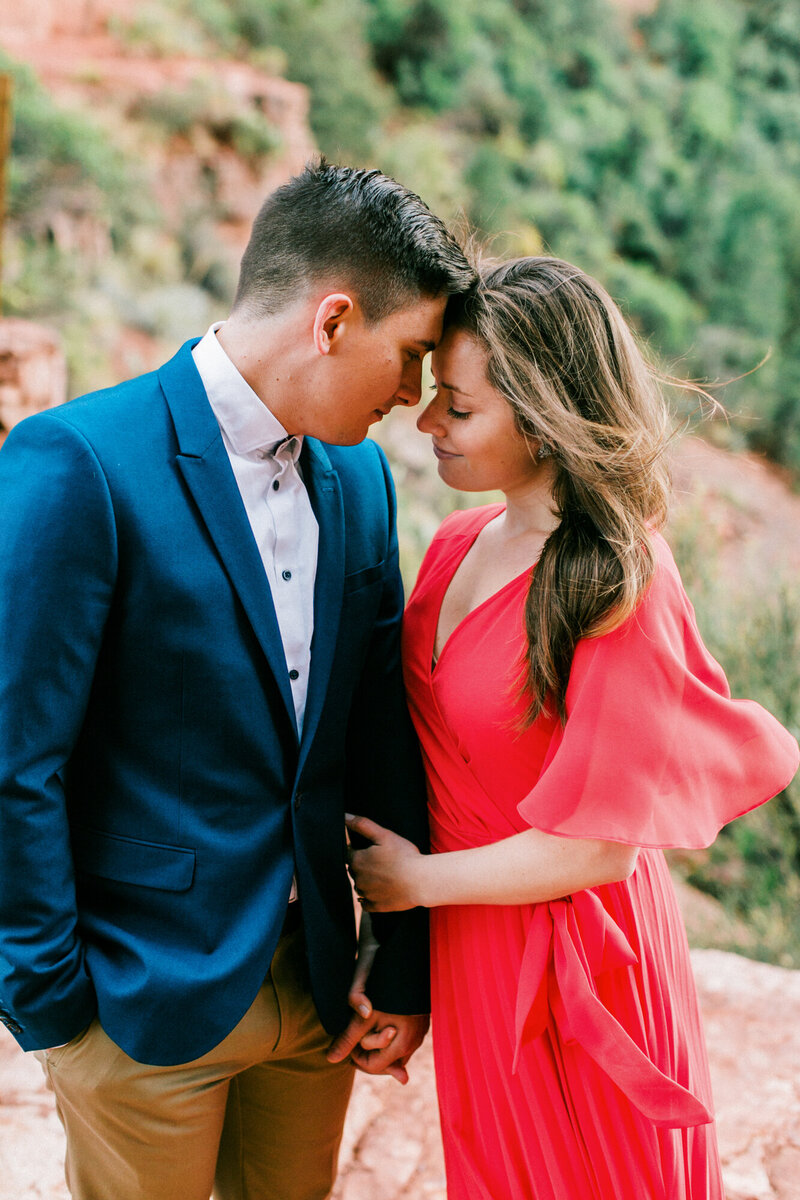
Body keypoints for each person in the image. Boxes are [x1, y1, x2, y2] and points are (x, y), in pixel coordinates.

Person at [0, 160, 476, 1200]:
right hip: (137, 1001)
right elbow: (15, 760)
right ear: (332, 319)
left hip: (316, 996)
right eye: (407, 358)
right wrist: (51, 1003)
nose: (412, 397)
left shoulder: (355, 476)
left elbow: (374, 722)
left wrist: (397, 961)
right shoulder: (77, 461)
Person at [344, 256, 800, 1200]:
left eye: (458, 409)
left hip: (585, 956)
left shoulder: (616, 579)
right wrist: (409, 978)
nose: (427, 423)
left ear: (546, 417)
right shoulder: (454, 545)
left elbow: (599, 848)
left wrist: (414, 886)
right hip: (475, 943)